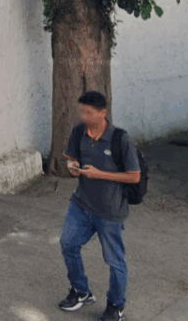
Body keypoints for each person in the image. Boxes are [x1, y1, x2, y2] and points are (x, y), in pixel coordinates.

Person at [58, 91, 141, 321]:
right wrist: (72, 165)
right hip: (81, 204)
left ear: (103, 113)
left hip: (110, 212)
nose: (84, 116)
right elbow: (71, 157)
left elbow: (134, 176)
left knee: (115, 261)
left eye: (89, 113)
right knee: (68, 243)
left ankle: (116, 305)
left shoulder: (120, 139)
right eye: (82, 111)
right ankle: (81, 291)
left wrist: (100, 174)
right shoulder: (79, 131)